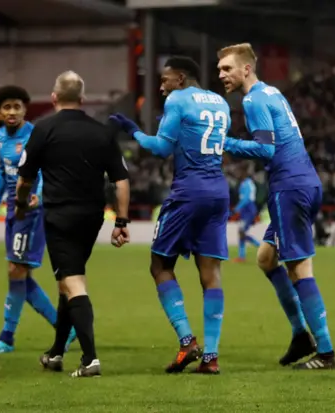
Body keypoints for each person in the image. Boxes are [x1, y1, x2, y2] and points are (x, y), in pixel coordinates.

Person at [218, 43, 335, 369]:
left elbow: (266, 150)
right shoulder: (272, 93)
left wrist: (224, 143)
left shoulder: (252, 99)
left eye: (227, 68)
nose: (221, 75)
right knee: (266, 257)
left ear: (246, 69)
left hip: (290, 187)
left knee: (299, 268)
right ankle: (301, 335)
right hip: (304, 181)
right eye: (219, 70)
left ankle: (325, 351)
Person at [110, 56, 229, 374]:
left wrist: (134, 132)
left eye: (164, 80)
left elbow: (161, 148)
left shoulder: (178, 98)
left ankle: (188, 341)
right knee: (210, 271)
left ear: (180, 77)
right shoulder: (220, 102)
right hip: (218, 190)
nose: (161, 87)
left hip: (188, 191)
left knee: (160, 264)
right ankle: (211, 357)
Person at [16, 71, 131, 378]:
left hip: (59, 216)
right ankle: (55, 353)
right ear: (82, 100)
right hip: (92, 217)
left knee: (73, 282)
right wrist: (120, 221)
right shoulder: (102, 132)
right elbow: (121, 180)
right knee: (66, 280)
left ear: (54, 98)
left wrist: (19, 204)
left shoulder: (43, 129)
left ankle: (90, 358)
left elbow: (25, 178)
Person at [0, 85, 75, 354]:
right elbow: (2, 172)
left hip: (31, 211)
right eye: (6, 107)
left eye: (17, 107)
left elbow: (44, 169)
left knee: (15, 271)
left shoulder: (34, 135)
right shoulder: (0, 137)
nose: (11, 112)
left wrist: (39, 195)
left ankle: (7, 337)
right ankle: (65, 327)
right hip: (12, 210)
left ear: (24, 110)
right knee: (19, 274)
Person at [233, 163, 260, 263]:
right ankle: (242, 256)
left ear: (243, 173)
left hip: (249, 209)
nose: (237, 174)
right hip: (245, 210)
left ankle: (259, 247)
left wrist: (236, 209)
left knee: (242, 232)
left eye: (238, 172)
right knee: (241, 232)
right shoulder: (244, 183)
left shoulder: (248, 183)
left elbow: (246, 199)